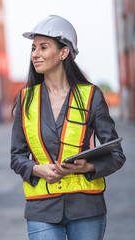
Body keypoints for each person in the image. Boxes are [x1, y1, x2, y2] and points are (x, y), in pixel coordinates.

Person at [10, 15, 125, 240]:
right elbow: (16, 156)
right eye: (33, 48)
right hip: (41, 208)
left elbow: (116, 155)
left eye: (44, 47)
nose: (35, 54)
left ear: (64, 53)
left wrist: (88, 166)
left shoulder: (91, 96)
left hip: (86, 208)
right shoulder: (25, 99)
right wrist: (37, 169)